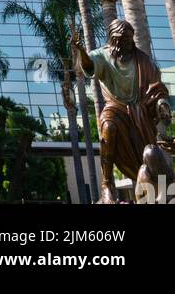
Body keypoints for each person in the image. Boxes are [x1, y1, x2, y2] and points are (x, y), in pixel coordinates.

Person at [71, 18, 170, 204]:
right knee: (107, 125)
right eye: (121, 40)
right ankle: (107, 184)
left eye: (128, 39)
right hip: (115, 107)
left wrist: (162, 104)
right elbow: (89, 66)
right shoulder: (103, 55)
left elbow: (157, 88)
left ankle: (155, 190)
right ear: (113, 40)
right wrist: (81, 51)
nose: (126, 43)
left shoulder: (143, 61)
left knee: (148, 156)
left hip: (140, 114)